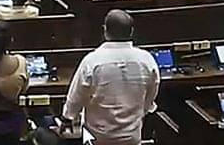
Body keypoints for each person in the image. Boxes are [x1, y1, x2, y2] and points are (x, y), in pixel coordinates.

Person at [61, 10, 160, 145]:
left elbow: (76, 96)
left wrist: (68, 117)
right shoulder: (147, 60)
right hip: (132, 137)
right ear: (131, 32)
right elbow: (150, 96)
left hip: (98, 138)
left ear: (104, 31)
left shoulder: (92, 61)